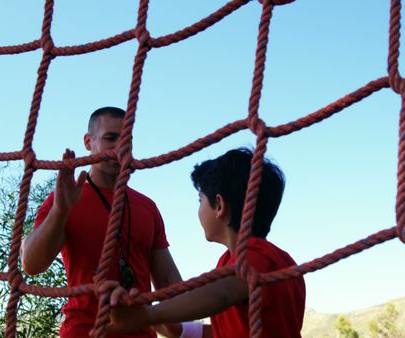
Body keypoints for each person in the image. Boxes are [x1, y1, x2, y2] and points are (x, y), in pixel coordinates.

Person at [104, 148, 306, 338]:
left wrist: (148, 315)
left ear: (219, 205)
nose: (199, 209)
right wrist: (180, 331)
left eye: (200, 200)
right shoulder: (242, 260)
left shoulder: (259, 257)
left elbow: (222, 294)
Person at [21, 106, 182, 338]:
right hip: (83, 332)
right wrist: (60, 211)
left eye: (127, 139)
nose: (120, 146)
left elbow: (168, 280)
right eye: (110, 138)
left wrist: (183, 326)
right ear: (88, 142)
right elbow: (32, 264)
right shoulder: (64, 199)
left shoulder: (147, 207)